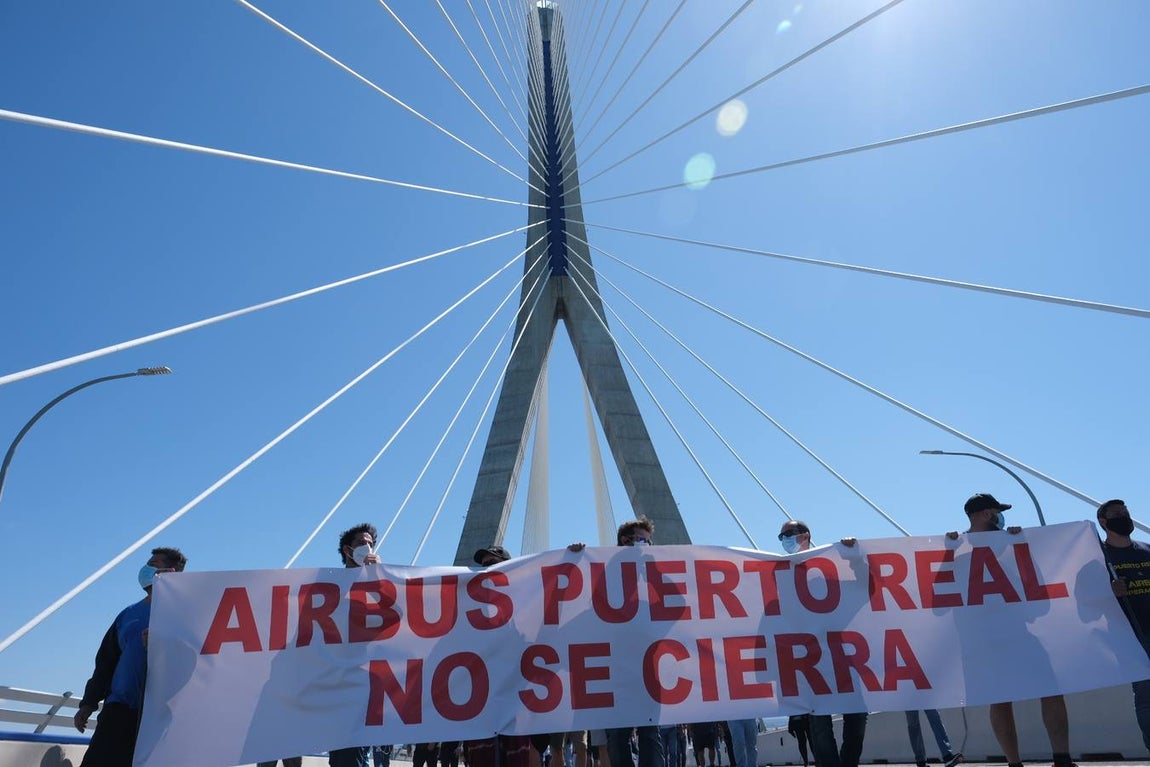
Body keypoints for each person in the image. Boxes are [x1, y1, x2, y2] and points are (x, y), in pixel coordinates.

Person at [954, 493, 1076, 767]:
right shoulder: (955, 550)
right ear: (984, 514)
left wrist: (1018, 545)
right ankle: (1015, 763)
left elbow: (1037, 596)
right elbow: (938, 601)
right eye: (996, 512)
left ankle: (1061, 757)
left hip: (1017, 633)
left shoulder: (1011, 545)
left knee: (1050, 689)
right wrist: (947, 550)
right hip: (984, 639)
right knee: (1001, 699)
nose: (1000, 518)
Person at [74, 546, 188, 767]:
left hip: (159, 717)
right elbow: (106, 663)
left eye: (153, 566)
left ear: (171, 572)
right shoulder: (128, 615)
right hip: (118, 712)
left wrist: (163, 647)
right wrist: (88, 703)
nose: (145, 570)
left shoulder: (188, 617)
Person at [779, 520, 867, 767]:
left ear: (806, 535)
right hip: (810, 661)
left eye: (790, 533)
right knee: (819, 725)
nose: (785, 538)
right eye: (781, 535)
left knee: (857, 718)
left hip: (845, 655)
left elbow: (862, 587)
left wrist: (854, 556)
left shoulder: (831, 567)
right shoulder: (780, 574)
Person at [606, 518, 666, 767]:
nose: (647, 546)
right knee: (618, 735)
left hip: (648, 665)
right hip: (612, 666)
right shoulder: (601, 569)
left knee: (650, 732)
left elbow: (677, 603)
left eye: (649, 541)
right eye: (643, 540)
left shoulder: (650, 577)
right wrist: (576, 557)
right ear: (625, 540)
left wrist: (653, 572)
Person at [1097, 498, 1150, 752]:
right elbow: (1085, 605)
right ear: (1104, 522)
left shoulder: (1147, 550)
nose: (1124, 516)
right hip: (1132, 637)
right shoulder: (1099, 559)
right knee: (1147, 698)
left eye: (1126, 511)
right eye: (1118, 513)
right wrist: (1110, 592)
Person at [329, 523, 381, 767]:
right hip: (333, 686)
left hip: (363, 688)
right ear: (347, 550)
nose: (368, 547)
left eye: (371, 543)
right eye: (362, 543)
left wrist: (379, 576)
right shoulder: (328, 587)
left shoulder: (380, 582)